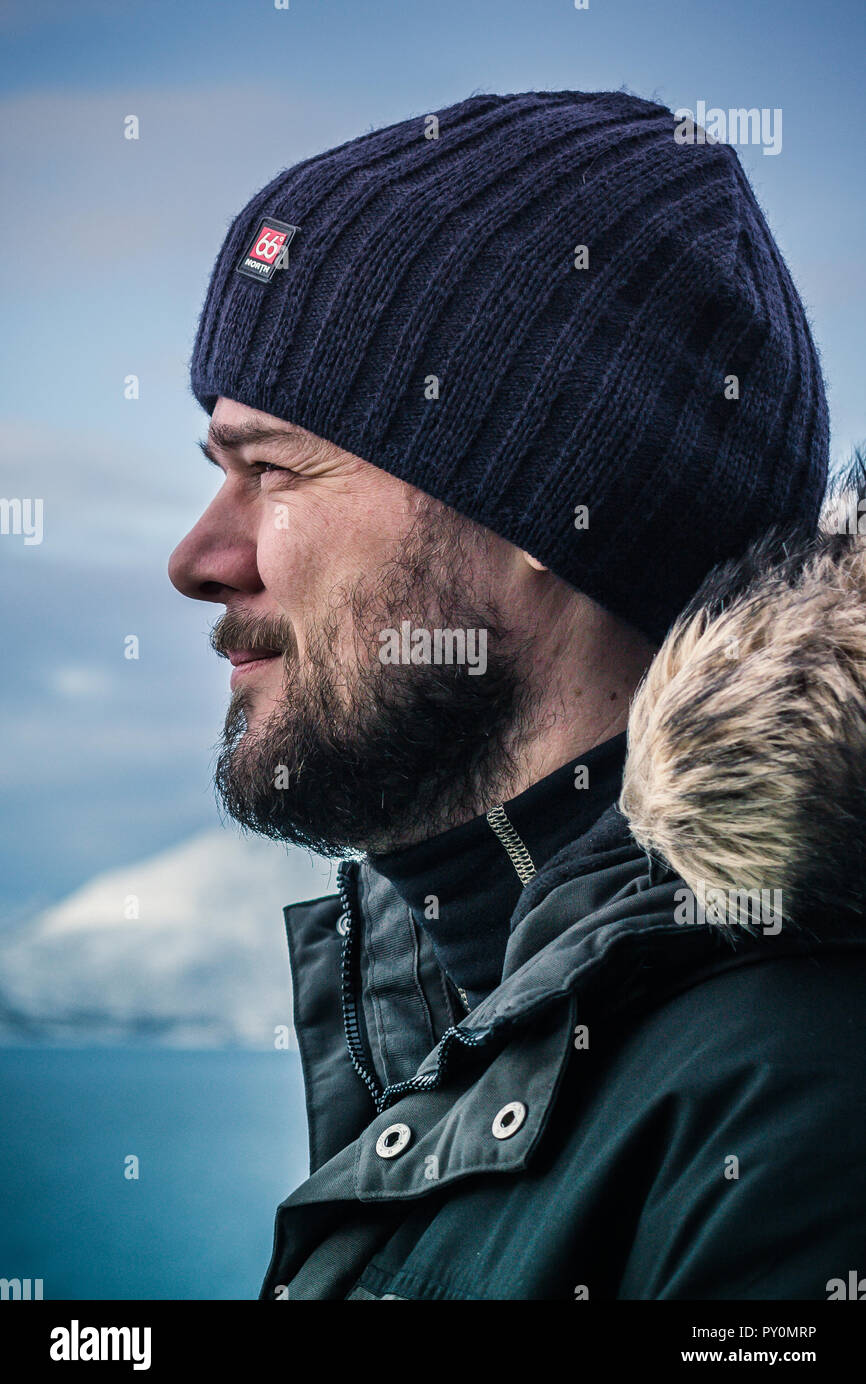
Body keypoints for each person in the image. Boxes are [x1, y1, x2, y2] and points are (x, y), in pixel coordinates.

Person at [169, 91, 865, 1299]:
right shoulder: (474, 995)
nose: (197, 559)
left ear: (557, 501)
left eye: (272, 469)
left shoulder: (790, 1109)